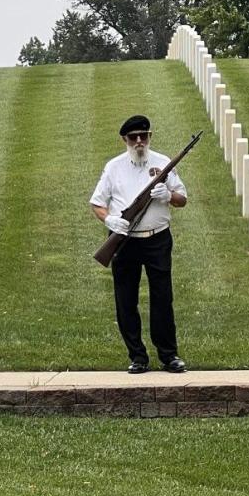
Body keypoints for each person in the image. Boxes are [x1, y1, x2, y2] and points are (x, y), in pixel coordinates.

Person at [90, 115, 188, 374]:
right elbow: (97, 203)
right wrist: (111, 220)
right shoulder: (113, 167)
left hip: (158, 237)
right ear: (125, 140)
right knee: (125, 299)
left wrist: (168, 195)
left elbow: (182, 199)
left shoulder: (163, 163)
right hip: (125, 241)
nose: (139, 141)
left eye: (143, 136)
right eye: (133, 137)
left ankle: (169, 355)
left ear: (149, 136)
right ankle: (137, 356)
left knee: (162, 297)